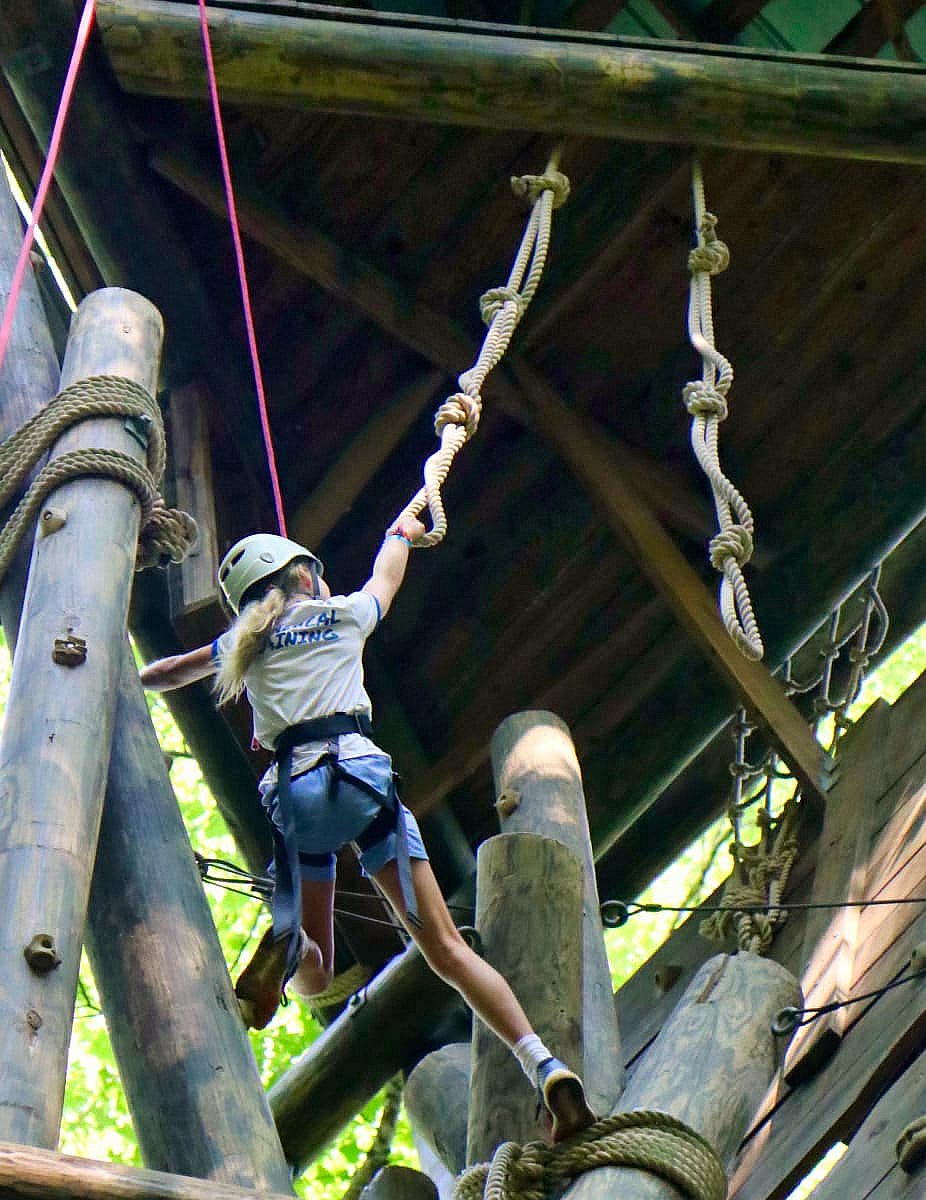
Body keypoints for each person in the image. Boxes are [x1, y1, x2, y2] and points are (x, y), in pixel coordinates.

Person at [139, 523, 595, 1142]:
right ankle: (544, 1064)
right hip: (362, 785)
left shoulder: (241, 642)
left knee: (319, 975)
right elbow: (389, 571)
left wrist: (117, 667)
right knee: (446, 951)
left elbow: (166, 673)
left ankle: (294, 948)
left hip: (297, 802)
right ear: (304, 577)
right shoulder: (344, 613)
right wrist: (402, 529)